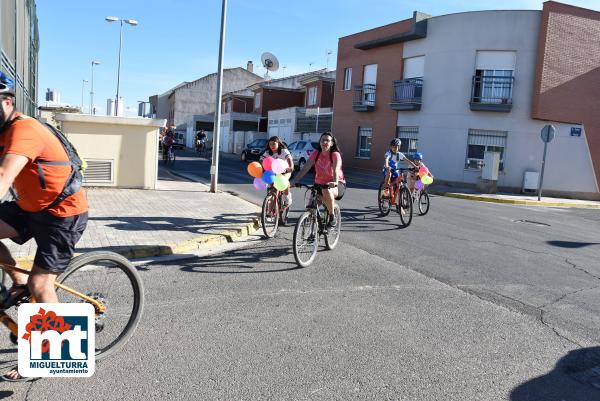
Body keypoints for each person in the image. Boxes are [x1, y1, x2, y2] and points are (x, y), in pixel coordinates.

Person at [0, 71, 88, 381]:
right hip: (29, 208)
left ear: (7, 101)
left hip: (63, 214)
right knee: (29, 281)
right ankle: (18, 277)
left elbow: (3, 178)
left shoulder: (24, 130)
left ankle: (48, 356)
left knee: (42, 285)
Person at [291, 132, 345, 228]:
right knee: (311, 208)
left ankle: (332, 216)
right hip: (319, 184)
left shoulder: (335, 154)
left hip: (337, 184)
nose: (324, 142)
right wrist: (295, 180)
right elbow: (305, 168)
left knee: (326, 190)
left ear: (332, 143)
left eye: (327, 140)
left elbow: (336, 169)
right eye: (322, 140)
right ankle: (312, 232)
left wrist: (335, 182)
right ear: (319, 142)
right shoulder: (316, 154)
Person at [260, 136, 293, 207]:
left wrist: (291, 167)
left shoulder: (283, 151)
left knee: (285, 182)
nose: (272, 146)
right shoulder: (267, 152)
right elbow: (262, 160)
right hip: (273, 172)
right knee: (272, 191)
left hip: (285, 170)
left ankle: (287, 198)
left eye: (274, 144)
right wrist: (261, 168)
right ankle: (269, 212)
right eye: (270, 144)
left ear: (279, 144)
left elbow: (290, 159)